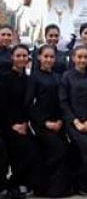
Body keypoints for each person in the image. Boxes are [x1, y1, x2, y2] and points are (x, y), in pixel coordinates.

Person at [25, 45, 71, 197]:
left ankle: (57, 188)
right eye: (46, 56)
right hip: (42, 123)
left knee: (63, 150)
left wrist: (59, 121)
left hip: (58, 121)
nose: (49, 60)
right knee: (57, 150)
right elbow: (29, 103)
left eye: (51, 57)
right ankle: (43, 184)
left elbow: (62, 101)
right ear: (39, 57)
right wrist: (44, 123)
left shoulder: (58, 76)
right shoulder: (34, 77)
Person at [59, 45, 87, 195]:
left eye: (85, 57)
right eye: (79, 57)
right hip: (73, 123)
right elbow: (63, 102)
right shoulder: (66, 76)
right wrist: (75, 121)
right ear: (73, 58)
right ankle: (80, 182)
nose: (82, 60)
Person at [0, 45, 40, 199]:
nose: (22, 59)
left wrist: (24, 123)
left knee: (32, 150)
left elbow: (29, 104)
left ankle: (17, 183)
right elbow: (2, 104)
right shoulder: (4, 77)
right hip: (6, 123)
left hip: (23, 123)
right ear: (12, 57)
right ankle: (8, 185)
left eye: (24, 56)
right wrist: (12, 125)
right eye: (18, 56)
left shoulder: (29, 79)